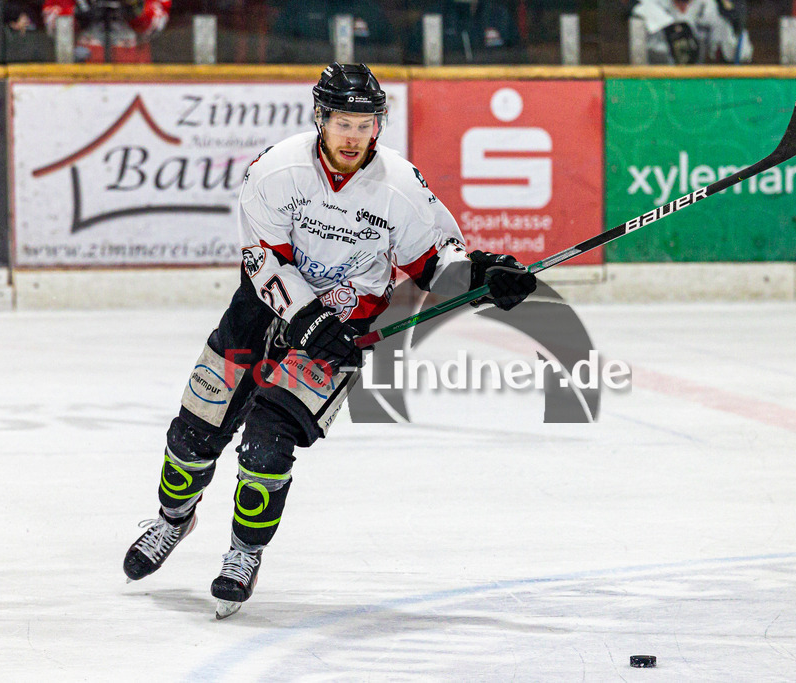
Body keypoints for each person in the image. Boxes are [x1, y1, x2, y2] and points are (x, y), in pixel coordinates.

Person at [122, 63, 537, 619]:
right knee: (194, 433)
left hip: (342, 334)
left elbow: (436, 260)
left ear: (378, 126)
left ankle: (243, 554)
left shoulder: (400, 188)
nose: (352, 135)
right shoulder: (276, 170)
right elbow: (262, 257)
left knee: (267, 447)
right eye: (342, 121)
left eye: (364, 124)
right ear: (320, 117)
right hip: (261, 311)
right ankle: (173, 519)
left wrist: (484, 277)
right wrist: (303, 313)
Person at [267, 0, 398, 63]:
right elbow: (277, 54)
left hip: (360, 90)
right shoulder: (299, 8)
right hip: (307, 89)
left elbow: (392, 56)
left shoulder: (370, 11)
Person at [42, 0, 170, 62]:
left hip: (133, 63)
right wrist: (77, 13)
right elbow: (52, 25)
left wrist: (136, 8)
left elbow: (158, 23)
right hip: (82, 63)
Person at [631, 0, 752, 65]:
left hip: (694, 83)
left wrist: (735, 27)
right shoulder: (645, 7)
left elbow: (737, 56)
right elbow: (637, 62)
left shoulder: (709, 5)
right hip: (657, 84)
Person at [405, 0, 525, 65]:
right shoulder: (432, 16)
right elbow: (412, 63)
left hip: (493, 96)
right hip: (443, 96)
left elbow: (520, 62)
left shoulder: (499, 16)